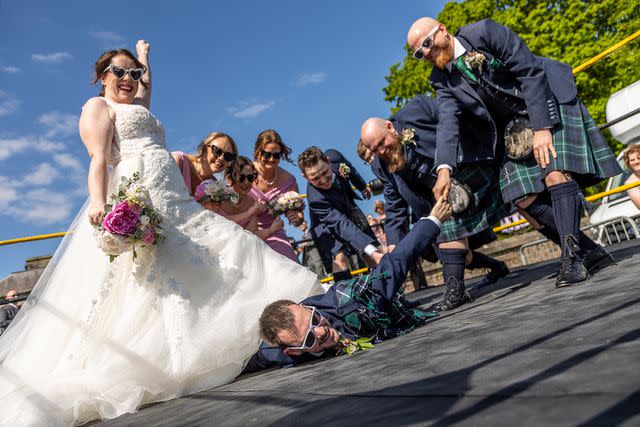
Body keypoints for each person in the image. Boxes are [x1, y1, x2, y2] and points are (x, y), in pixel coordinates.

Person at [0, 41, 322, 426]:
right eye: (119, 72)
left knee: (222, 243)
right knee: (150, 277)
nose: (129, 79)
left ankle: (279, 316)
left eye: (133, 74)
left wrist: (144, 59)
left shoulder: (140, 106)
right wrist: (98, 202)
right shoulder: (98, 107)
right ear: (102, 76)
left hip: (173, 196)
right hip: (141, 195)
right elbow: (99, 157)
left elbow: (146, 87)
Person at [406, 17, 621, 287]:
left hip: (547, 99)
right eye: (418, 53)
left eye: (427, 43)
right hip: (515, 128)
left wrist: (543, 127)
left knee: (553, 170)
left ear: (442, 30)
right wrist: (444, 169)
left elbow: (530, 71)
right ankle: (590, 251)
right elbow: (448, 123)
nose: (425, 52)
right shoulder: (441, 79)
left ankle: (572, 259)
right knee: (520, 199)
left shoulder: (483, 33)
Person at [245, 196, 451, 370]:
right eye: (309, 339)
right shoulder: (279, 352)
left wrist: (433, 220)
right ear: (293, 350)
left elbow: (394, 265)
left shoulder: (355, 301)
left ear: (307, 307)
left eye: (315, 319)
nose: (321, 331)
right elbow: (257, 359)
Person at [361, 95, 511, 310]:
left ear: (390, 127)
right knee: (457, 256)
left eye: (382, 143)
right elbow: (394, 204)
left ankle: (456, 291)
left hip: (465, 174)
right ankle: (497, 268)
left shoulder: (416, 110)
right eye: (374, 149)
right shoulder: (380, 166)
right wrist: (394, 244)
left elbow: (452, 121)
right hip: (433, 207)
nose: (381, 152)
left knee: (522, 199)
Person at [299, 147, 381, 279]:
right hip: (325, 225)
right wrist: (373, 252)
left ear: (329, 161)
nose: (323, 180)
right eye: (315, 178)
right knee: (339, 258)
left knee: (371, 252)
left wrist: (362, 187)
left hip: (348, 209)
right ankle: (347, 297)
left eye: (325, 172)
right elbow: (341, 224)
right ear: (305, 177)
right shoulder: (315, 198)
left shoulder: (335, 155)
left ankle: (388, 292)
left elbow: (351, 170)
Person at [249, 129, 301, 262]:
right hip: (246, 232)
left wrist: (295, 217)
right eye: (267, 155)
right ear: (258, 152)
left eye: (277, 156)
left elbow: (299, 218)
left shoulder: (289, 180)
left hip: (274, 232)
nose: (271, 159)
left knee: (291, 268)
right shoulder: (245, 172)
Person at [218, 156, 285, 240]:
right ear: (229, 178)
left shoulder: (251, 203)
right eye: (241, 177)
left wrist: (271, 229)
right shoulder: (218, 195)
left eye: (250, 178)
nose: (246, 182)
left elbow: (252, 235)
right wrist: (249, 213)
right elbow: (218, 223)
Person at [171, 132, 238, 196]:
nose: (221, 158)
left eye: (228, 156)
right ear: (204, 148)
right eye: (217, 151)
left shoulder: (216, 188)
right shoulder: (179, 161)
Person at [624, 144, 640, 210]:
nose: (636, 162)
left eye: (639, 158)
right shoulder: (630, 183)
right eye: (632, 160)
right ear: (628, 163)